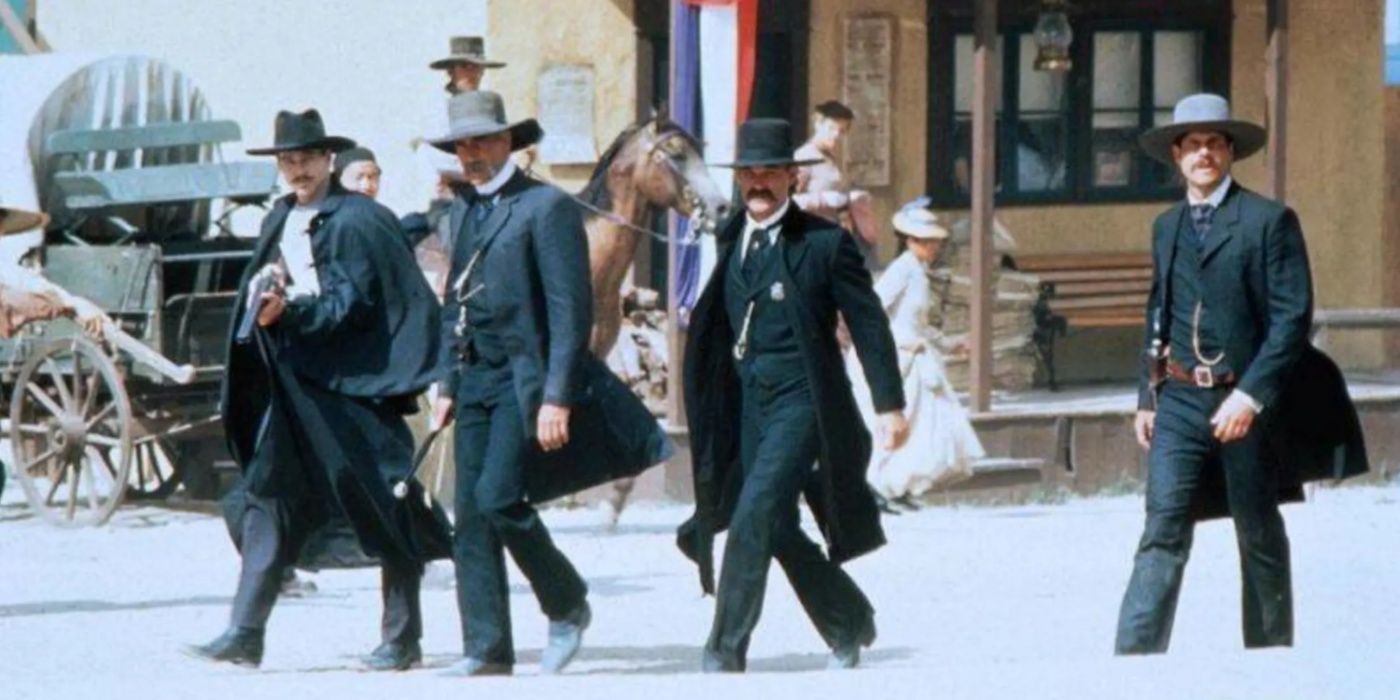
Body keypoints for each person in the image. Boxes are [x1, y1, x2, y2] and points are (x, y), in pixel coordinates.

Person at [188, 109, 450, 671]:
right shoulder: (281, 217)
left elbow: (353, 305)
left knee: (382, 502)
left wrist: (291, 314)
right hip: (293, 384)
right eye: (288, 160)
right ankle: (245, 631)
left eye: (307, 158)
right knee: (267, 496)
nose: (298, 169)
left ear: (329, 160)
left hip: (351, 387)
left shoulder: (357, 220)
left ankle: (402, 639)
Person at [427, 91, 670, 677]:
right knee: (471, 516)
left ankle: (567, 603)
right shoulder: (461, 211)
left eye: (484, 140)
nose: (473, 153)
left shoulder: (546, 208)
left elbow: (570, 311)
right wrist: (446, 382)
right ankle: (486, 650)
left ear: (510, 141)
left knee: (501, 498)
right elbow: (455, 306)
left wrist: (557, 396)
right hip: (476, 378)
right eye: (463, 144)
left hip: (524, 379)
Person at [1115, 94, 1369, 654]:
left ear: (1230, 152)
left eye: (1214, 143)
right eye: (1192, 144)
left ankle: (1271, 657)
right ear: (1176, 155)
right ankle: (1131, 664)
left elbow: (1290, 320)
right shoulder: (1167, 226)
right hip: (1179, 398)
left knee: (1256, 530)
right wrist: (1147, 395)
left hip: (1243, 401)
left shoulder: (1267, 221)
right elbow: (1159, 310)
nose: (1203, 154)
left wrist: (1251, 397)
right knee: (1162, 526)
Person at [678, 118, 908, 673]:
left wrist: (889, 403)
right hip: (749, 405)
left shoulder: (826, 245)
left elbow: (869, 323)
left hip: (804, 401)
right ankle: (848, 620)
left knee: (754, 512)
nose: (758, 183)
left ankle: (723, 654)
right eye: (749, 173)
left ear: (791, 178)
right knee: (775, 526)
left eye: (770, 172)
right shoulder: (732, 235)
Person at [846, 200, 985, 511]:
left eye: (934, 240)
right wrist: (890, 346)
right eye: (925, 241)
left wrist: (951, 344)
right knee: (891, 423)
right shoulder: (902, 269)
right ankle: (875, 485)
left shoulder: (920, 273)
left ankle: (899, 486)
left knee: (921, 423)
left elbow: (920, 324)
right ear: (909, 241)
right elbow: (873, 310)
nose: (932, 246)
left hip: (915, 356)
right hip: (894, 358)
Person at [793, 100, 878, 268]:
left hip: (834, 235)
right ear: (818, 123)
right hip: (812, 237)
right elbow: (790, 201)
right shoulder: (804, 156)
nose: (836, 135)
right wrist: (825, 199)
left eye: (842, 131)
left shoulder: (829, 157)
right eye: (831, 129)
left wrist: (851, 198)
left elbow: (838, 197)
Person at [430, 35, 505, 95]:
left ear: (482, 71)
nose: (470, 72)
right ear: (451, 72)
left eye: (476, 66)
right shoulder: (442, 105)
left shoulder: (488, 105)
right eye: (464, 66)